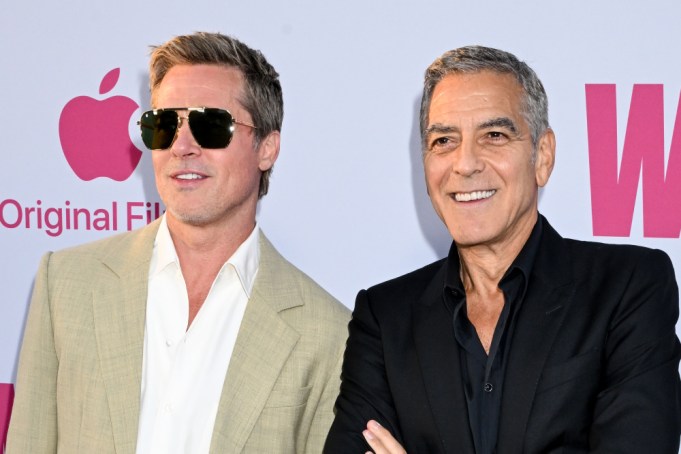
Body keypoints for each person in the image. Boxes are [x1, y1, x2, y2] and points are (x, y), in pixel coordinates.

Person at [324, 46, 681, 453]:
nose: (466, 163)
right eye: (444, 140)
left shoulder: (627, 287)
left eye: (494, 136)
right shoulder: (385, 317)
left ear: (542, 156)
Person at [7, 32, 350, 453]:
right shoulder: (65, 285)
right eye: (163, 124)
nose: (181, 146)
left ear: (267, 147)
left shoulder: (327, 333)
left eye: (209, 125)